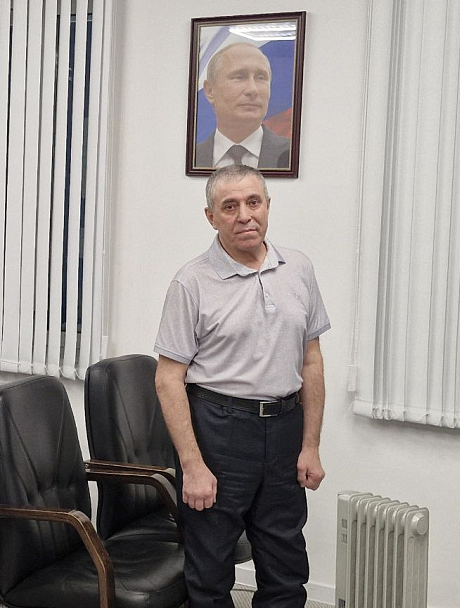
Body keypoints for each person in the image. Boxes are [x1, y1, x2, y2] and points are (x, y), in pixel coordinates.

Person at [154, 164, 329, 607]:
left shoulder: (299, 268)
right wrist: (192, 465)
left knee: (286, 566)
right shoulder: (191, 282)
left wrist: (310, 445)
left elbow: (311, 360)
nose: (244, 215)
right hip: (219, 431)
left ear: (268, 206)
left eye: (253, 202)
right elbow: (168, 379)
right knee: (210, 571)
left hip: (285, 428)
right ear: (211, 217)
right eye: (229, 206)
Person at [194, 42, 290, 169]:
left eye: (261, 77)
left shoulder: (292, 156)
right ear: (210, 90)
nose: (253, 89)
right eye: (239, 77)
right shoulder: (190, 158)